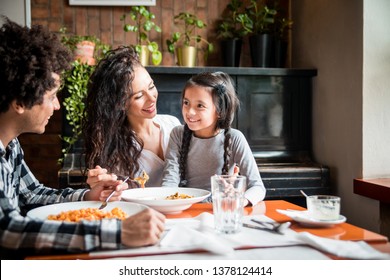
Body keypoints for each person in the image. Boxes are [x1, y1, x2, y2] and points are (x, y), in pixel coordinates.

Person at [0, 18, 165, 259]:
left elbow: (31, 195)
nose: (57, 106)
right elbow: (7, 231)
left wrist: (87, 196)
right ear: (20, 103)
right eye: (52, 96)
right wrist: (116, 232)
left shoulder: (10, 144)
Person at [161, 71, 266, 206]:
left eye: (200, 106)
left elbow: (257, 187)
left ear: (220, 111)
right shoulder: (177, 134)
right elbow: (170, 179)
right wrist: (165, 202)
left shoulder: (235, 138)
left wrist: (239, 200)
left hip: (219, 208)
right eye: (186, 102)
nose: (189, 111)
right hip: (184, 206)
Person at [83, 47, 181, 188]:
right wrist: (103, 184)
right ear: (120, 104)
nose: (151, 98)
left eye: (151, 86)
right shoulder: (117, 149)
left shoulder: (172, 124)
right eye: (139, 96)